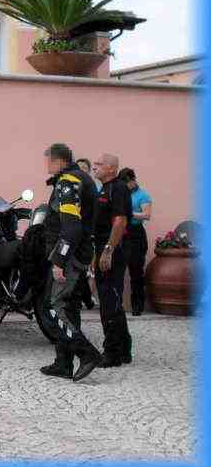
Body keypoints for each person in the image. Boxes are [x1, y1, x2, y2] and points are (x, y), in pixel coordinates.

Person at [38, 143, 102, 382]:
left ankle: (87, 354)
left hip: (69, 256)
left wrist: (59, 261)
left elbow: (72, 228)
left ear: (57, 161)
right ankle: (63, 363)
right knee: (69, 307)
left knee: (52, 308)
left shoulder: (68, 182)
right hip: (80, 252)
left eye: (48, 161)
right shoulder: (82, 178)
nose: (47, 166)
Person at [92, 153, 134, 367]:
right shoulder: (104, 188)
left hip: (113, 248)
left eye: (99, 164)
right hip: (103, 246)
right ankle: (124, 349)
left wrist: (108, 250)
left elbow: (120, 221)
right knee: (112, 300)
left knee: (109, 301)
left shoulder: (117, 188)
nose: (94, 167)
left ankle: (112, 353)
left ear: (111, 168)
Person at [118, 167, 152, 316]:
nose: (126, 186)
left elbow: (146, 215)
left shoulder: (142, 195)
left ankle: (137, 305)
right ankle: (116, 305)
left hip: (135, 234)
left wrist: (129, 213)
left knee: (136, 271)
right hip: (120, 232)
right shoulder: (120, 193)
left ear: (133, 180)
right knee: (117, 271)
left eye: (127, 183)